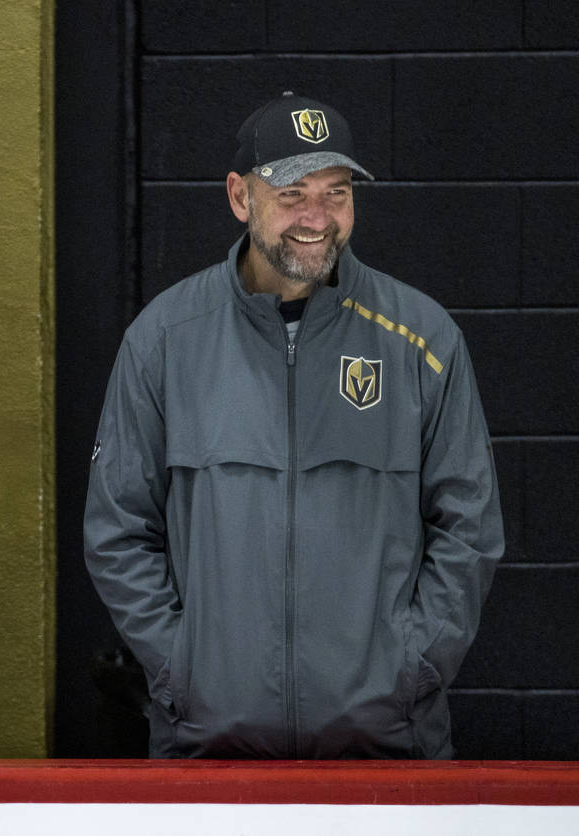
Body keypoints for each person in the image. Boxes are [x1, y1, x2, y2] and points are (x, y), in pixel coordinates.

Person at [83, 91, 503, 759]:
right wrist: (184, 673)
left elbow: (469, 527)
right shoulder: (164, 340)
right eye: (291, 193)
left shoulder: (421, 339)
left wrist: (409, 673)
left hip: (386, 747)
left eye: (336, 193)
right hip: (211, 749)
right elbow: (117, 531)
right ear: (239, 197)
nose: (317, 217)